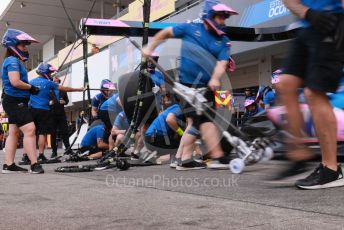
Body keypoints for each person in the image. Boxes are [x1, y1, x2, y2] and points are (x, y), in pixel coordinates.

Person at [142, 1, 238, 170]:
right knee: (204, 120)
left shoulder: (223, 39)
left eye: (224, 18)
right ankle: (216, 157)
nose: (223, 21)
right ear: (209, 15)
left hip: (207, 87)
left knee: (195, 124)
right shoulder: (190, 28)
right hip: (186, 86)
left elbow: (223, 61)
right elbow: (165, 33)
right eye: (220, 17)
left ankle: (184, 159)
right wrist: (150, 46)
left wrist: (215, 78)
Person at [278, 0, 344, 189]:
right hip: (306, 25)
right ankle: (299, 154)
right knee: (286, 84)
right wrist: (307, 13)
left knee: (314, 92)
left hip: (331, 22)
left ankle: (331, 169)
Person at [20, 63, 83, 164]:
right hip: (43, 111)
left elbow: (24, 94)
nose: (51, 74)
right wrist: (79, 89)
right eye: (50, 72)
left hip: (31, 110)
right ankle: (40, 155)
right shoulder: (49, 83)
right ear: (45, 73)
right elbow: (65, 88)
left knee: (29, 134)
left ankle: (25, 156)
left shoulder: (30, 82)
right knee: (42, 133)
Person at [1, 28, 43, 173]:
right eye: (23, 45)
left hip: (13, 99)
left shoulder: (12, 60)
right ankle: (34, 164)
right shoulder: (12, 60)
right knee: (30, 129)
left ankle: (9, 165)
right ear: (14, 45)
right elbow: (15, 81)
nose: (25, 48)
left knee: (13, 132)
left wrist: (30, 88)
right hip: (14, 100)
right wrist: (31, 88)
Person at [50, 77, 73, 158]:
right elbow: (45, 100)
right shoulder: (49, 90)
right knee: (53, 133)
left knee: (65, 132)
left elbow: (67, 101)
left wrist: (64, 102)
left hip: (61, 114)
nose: (56, 82)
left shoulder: (63, 90)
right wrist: (49, 102)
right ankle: (54, 151)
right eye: (54, 81)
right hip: (52, 114)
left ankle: (68, 149)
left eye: (57, 81)